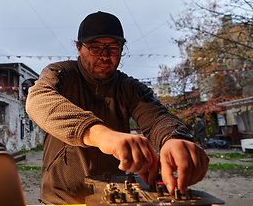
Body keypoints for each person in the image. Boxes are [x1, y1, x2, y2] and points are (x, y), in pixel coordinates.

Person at [26, 11, 209, 205]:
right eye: (95, 48)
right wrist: (103, 136)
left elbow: (157, 117)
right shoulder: (60, 73)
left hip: (111, 197)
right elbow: (37, 99)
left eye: (113, 48)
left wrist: (173, 139)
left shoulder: (129, 87)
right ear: (79, 48)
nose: (105, 56)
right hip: (61, 199)